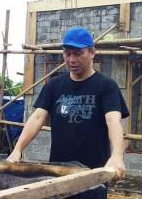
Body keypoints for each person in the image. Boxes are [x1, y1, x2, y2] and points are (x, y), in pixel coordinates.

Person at [7, 27, 129, 199]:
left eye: (78, 53)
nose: (71, 59)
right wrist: (18, 149)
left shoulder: (106, 87)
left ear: (92, 52)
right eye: (67, 53)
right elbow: (37, 117)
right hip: (57, 171)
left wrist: (117, 156)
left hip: (93, 174)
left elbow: (113, 122)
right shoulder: (54, 85)